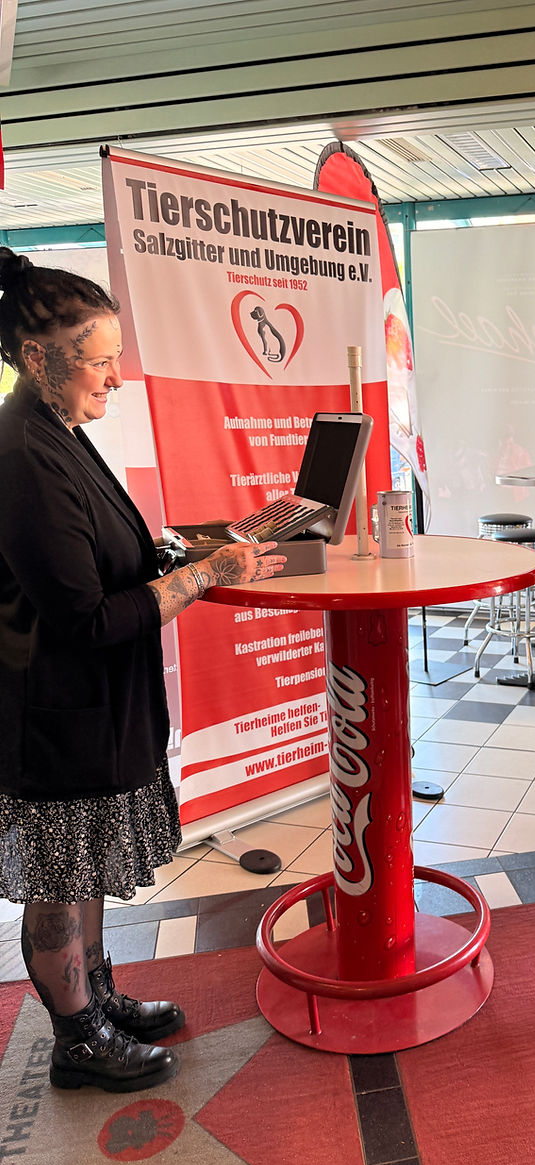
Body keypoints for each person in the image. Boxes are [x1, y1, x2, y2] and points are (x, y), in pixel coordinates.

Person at [0, 248, 285, 1093]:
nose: (116, 378)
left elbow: (102, 554)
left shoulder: (59, 432)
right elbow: (84, 617)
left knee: (84, 868)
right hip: (56, 716)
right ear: (37, 357)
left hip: (96, 710)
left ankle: (97, 997)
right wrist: (203, 576)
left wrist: (182, 551)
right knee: (59, 881)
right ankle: (75, 1038)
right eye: (102, 360)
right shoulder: (21, 454)